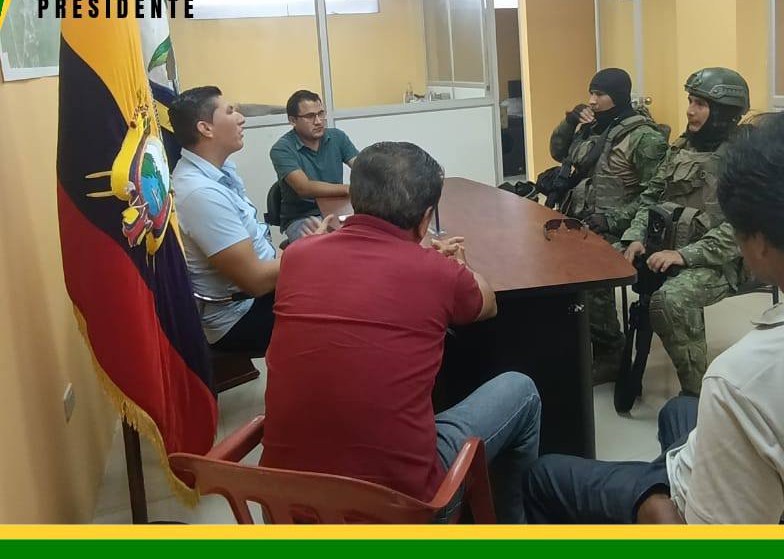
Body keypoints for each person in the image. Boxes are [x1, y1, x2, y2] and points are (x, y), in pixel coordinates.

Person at [524, 110, 784, 524]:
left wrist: (655, 503)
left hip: (699, 510)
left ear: (756, 243)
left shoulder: (747, 382)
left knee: (542, 476)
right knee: (678, 411)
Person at [262, 142, 542, 523]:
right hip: (402, 511)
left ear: (356, 199)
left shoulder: (297, 257)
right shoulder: (437, 273)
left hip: (285, 509)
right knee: (522, 391)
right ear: (426, 219)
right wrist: (458, 267)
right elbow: (487, 303)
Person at [617, 67, 749, 402]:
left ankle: (699, 395)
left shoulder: (744, 157)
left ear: (724, 111)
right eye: (690, 101)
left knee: (671, 300)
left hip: (727, 260)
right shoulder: (681, 147)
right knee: (603, 263)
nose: (690, 110)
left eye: (700, 104)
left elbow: (743, 227)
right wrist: (636, 236)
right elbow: (652, 197)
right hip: (671, 247)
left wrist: (684, 256)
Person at [170, 86, 313, 356]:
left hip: (261, 290)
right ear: (206, 128)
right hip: (241, 314)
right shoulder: (199, 193)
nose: (241, 118)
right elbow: (255, 281)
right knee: (342, 307)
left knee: (342, 281)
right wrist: (310, 249)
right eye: (230, 111)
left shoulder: (220, 170)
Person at [547, 68, 667, 384]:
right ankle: (574, 336)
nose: (592, 100)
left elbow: (656, 195)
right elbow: (558, 152)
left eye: (599, 94)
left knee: (590, 267)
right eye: (591, 92)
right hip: (582, 222)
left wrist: (614, 219)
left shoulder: (644, 137)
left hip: (620, 229)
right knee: (546, 260)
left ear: (618, 96)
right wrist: (570, 121)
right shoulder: (593, 127)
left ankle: (610, 351)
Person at [269, 89, 358, 244]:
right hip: (302, 217)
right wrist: (350, 189)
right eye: (310, 116)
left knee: (367, 236)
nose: (318, 121)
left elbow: (362, 167)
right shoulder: (281, 149)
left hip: (338, 209)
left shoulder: (337, 137)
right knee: (326, 247)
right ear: (293, 120)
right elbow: (304, 187)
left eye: (321, 114)